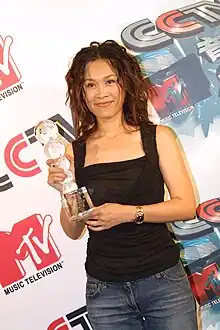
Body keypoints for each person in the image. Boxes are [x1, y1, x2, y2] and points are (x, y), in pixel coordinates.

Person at [47, 40, 198, 330]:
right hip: (106, 294)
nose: (101, 93)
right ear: (81, 92)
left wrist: (129, 213)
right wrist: (64, 191)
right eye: (90, 85)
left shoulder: (158, 137)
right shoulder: (73, 152)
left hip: (163, 284)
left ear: (125, 85)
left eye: (109, 81)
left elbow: (186, 206)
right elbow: (73, 230)